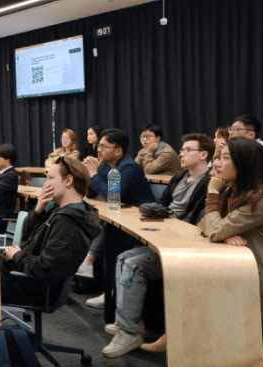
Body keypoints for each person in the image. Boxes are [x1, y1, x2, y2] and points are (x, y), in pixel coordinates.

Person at [101, 133, 215, 359]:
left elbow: (196, 221)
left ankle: (130, 330)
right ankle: (127, 323)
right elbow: (161, 205)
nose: (181, 153)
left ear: (203, 155)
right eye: (181, 149)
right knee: (124, 257)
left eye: (187, 150)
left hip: (186, 246)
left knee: (133, 264)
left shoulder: (209, 183)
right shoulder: (180, 177)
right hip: (168, 235)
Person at [199, 137, 263, 355]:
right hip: (249, 272)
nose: (216, 164)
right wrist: (226, 233)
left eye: (225, 158)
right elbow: (205, 225)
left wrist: (213, 193)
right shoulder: (234, 192)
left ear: (245, 164)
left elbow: (215, 228)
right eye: (217, 157)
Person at [0, 157, 101, 306]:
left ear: (68, 181)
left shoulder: (67, 222)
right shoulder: (60, 210)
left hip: (28, 286)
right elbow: (28, 237)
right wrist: (39, 209)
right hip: (21, 276)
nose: (46, 184)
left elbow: (45, 269)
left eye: (51, 178)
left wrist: (17, 256)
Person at [81, 128, 155, 308]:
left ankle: (109, 291)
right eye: (99, 146)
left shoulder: (128, 167)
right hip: (121, 218)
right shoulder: (107, 165)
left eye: (104, 147)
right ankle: (99, 279)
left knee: (108, 230)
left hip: (141, 224)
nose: (99, 150)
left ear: (118, 151)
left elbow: (113, 196)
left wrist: (93, 174)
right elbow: (92, 192)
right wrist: (89, 173)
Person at [228, 115, 263, 186]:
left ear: (251, 134)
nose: (230, 133)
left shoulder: (261, 146)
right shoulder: (236, 148)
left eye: (236, 129)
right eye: (230, 129)